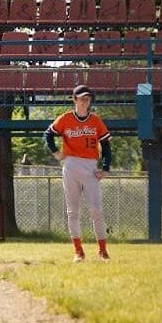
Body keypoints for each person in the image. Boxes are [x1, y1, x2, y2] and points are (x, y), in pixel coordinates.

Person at [44, 84, 113, 262]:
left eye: (87, 98)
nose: (85, 101)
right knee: (73, 211)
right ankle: (78, 252)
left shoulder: (95, 120)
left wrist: (105, 167)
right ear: (74, 99)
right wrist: (56, 152)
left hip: (91, 166)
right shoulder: (66, 118)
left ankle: (102, 251)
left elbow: (105, 144)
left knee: (96, 210)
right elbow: (48, 134)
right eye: (81, 98)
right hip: (71, 164)